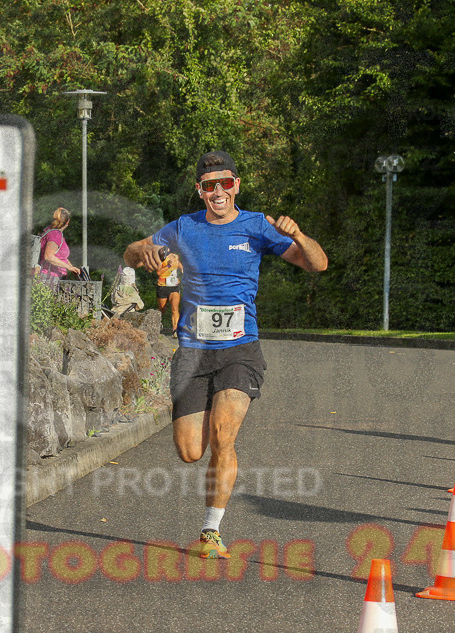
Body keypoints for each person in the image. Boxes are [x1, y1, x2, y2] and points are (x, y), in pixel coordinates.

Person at [123, 150, 327, 559]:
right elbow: (132, 251)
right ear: (200, 192)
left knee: (222, 437)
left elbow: (317, 265)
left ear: (237, 186)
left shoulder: (256, 225)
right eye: (209, 185)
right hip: (193, 352)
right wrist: (140, 252)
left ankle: (210, 531)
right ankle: (209, 508)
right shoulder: (183, 227)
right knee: (189, 452)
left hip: (240, 348)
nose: (218, 192)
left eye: (226, 183)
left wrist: (300, 235)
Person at [37, 207, 77, 287]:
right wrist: (69, 267)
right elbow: (49, 256)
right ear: (67, 222)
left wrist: (72, 267)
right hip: (50, 278)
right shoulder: (55, 235)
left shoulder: (49, 230)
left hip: (54, 277)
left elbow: (60, 256)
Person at [155, 251, 182, 334]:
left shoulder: (175, 255)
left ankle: (175, 330)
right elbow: (158, 272)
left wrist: (182, 268)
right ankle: (155, 324)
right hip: (162, 286)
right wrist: (168, 265)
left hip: (174, 286)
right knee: (162, 309)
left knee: (175, 308)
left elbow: (178, 263)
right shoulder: (161, 257)